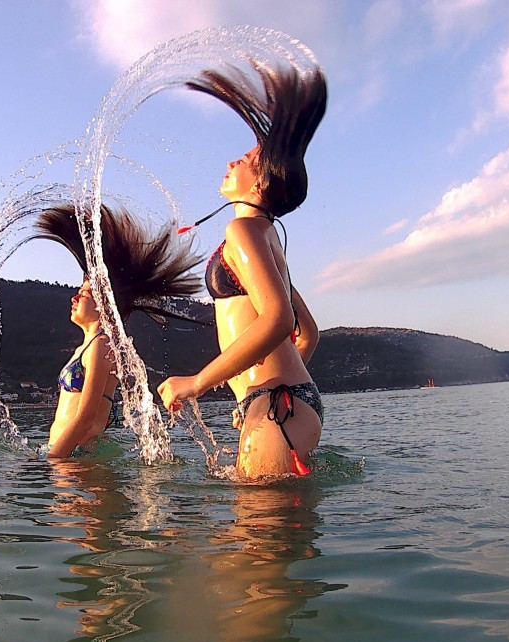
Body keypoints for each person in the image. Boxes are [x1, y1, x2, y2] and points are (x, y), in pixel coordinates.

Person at [158, 62, 328, 478]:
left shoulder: (245, 230)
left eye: (249, 159)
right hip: (281, 402)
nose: (235, 160)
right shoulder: (264, 236)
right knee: (261, 540)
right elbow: (308, 333)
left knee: (256, 541)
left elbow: (280, 320)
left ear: (261, 183)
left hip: (278, 404)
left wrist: (197, 382)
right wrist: (258, 388)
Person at [33, 203, 202, 458]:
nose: (75, 298)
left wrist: (55, 459)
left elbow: (87, 417)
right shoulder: (86, 346)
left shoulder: (101, 345)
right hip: (68, 454)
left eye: (85, 293)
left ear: (105, 306)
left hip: (76, 458)